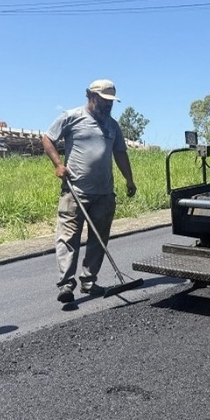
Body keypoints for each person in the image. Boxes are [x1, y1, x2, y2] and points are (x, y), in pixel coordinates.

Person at [41, 79, 137, 307]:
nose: (108, 106)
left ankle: (89, 281)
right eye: (105, 101)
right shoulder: (71, 117)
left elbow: (120, 153)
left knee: (99, 238)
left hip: (104, 193)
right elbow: (47, 139)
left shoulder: (113, 126)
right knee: (67, 238)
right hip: (75, 191)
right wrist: (57, 164)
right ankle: (66, 284)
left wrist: (129, 180)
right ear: (92, 97)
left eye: (111, 102)